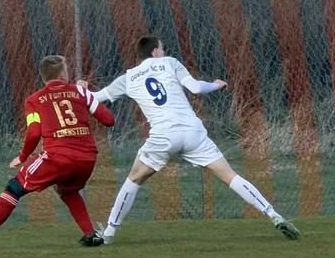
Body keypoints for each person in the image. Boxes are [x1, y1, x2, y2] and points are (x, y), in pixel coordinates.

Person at [86, 36, 299, 243]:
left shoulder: (129, 78)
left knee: (133, 180)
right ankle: (273, 215)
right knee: (230, 176)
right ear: (155, 52)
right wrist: (216, 84)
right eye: (162, 49)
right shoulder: (169, 63)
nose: (164, 52)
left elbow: (95, 98)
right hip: (192, 131)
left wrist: (81, 88)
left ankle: (109, 233)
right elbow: (196, 88)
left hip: (163, 136)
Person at [0, 55, 116, 249]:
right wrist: (86, 97)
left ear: (43, 77)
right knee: (68, 191)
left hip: (57, 158)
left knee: (14, 187)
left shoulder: (34, 100)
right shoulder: (80, 92)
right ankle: (90, 234)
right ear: (62, 74)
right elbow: (109, 121)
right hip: (87, 159)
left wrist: (22, 157)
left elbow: (34, 132)